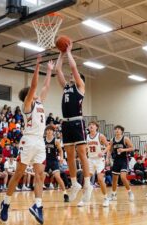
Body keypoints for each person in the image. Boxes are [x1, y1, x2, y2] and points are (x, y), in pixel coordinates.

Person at [0, 56, 53, 224]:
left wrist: (50, 70)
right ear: (28, 95)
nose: (35, 92)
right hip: (28, 141)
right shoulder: (27, 105)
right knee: (18, 174)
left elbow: (45, 86)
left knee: (40, 175)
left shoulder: (40, 103)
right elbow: (36, 85)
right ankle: (6, 203)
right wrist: (37, 66)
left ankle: (37, 205)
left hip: (40, 142)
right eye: (32, 91)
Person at [55, 43, 92, 204]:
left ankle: (87, 183)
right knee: (70, 155)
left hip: (77, 122)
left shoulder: (81, 87)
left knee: (82, 154)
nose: (71, 76)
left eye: (74, 76)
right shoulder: (66, 88)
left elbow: (74, 67)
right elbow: (58, 70)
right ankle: (75, 183)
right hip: (66, 124)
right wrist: (61, 53)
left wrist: (69, 52)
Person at [79, 121, 109, 207]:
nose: (91, 126)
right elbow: (84, 148)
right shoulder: (86, 137)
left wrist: (103, 152)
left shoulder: (100, 136)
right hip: (90, 160)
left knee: (100, 179)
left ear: (96, 127)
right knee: (86, 180)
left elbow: (108, 145)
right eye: (89, 125)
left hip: (99, 160)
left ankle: (106, 198)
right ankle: (84, 199)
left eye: (93, 125)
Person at [106, 125, 135, 201]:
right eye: (116, 129)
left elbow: (132, 148)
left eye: (119, 129)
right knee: (114, 179)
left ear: (122, 131)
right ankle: (113, 194)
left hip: (124, 160)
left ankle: (130, 192)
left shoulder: (125, 138)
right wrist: (107, 158)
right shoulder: (112, 140)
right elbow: (109, 150)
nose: (117, 130)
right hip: (116, 160)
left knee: (122, 177)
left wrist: (123, 150)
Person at [44, 125, 69, 202]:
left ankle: (65, 193)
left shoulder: (56, 141)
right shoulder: (43, 140)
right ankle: (38, 198)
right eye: (47, 130)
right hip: (46, 161)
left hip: (54, 161)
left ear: (53, 132)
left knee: (57, 177)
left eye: (50, 130)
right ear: (45, 132)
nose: (49, 131)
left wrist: (61, 157)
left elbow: (61, 151)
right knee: (40, 177)